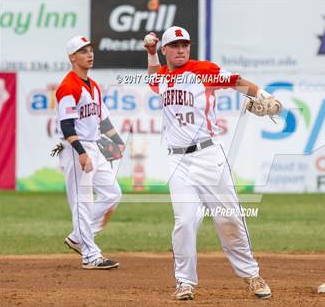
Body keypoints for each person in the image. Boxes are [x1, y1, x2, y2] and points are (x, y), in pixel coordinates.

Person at [143, 26, 282, 300]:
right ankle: (184, 282)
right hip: (178, 160)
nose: (181, 49)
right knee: (184, 222)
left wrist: (266, 98)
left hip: (208, 156)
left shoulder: (202, 69)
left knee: (228, 218)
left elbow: (236, 81)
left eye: (185, 44)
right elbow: (153, 77)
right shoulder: (163, 77)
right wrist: (150, 53)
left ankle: (251, 275)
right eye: (174, 45)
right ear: (165, 50)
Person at [55, 36, 124, 270]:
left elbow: (102, 119)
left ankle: (78, 237)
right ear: (72, 57)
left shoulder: (92, 86)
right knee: (83, 202)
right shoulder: (68, 86)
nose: (89, 54)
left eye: (91, 50)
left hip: (94, 147)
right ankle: (90, 256)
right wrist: (81, 153)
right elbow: (66, 126)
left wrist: (117, 139)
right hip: (77, 149)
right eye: (83, 51)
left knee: (113, 193)